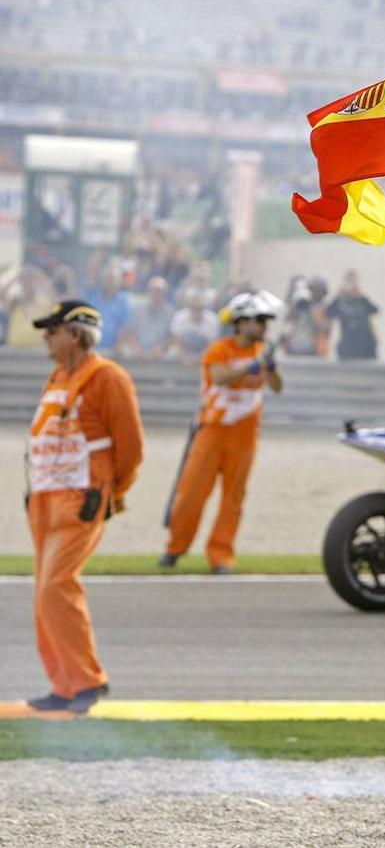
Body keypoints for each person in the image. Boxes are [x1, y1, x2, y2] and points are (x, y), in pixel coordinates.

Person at [26, 300, 144, 712]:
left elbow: (130, 448)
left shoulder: (108, 378)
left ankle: (88, 681)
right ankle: (63, 684)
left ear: (76, 335)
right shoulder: (58, 375)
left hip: (82, 498)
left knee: (58, 585)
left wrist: (112, 491)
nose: (46, 337)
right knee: (44, 594)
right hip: (46, 499)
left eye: (53, 330)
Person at [160, 291, 283, 573]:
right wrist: (252, 366)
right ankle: (175, 548)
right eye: (260, 321)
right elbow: (219, 377)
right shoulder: (220, 349)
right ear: (241, 323)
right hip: (212, 430)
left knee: (233, 498)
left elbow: (276, 387)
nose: (264, 327)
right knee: (191, 493)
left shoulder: (261, 353)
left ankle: (221, 555)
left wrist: (272, 367)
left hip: (245, 434)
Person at [326, 269, 379, 360]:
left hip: (366, 344)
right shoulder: (340, 302)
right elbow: (329, 313)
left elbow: (375, 310)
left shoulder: (362, 301)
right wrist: (337, 297)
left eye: (352, 282)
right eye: (348, 281)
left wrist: (361, 297)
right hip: (348, 344)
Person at [118, 276, 175, 359]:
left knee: (173, 354)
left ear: (165, 292)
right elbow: (128, 331)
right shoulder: (137, 309)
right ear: (149, 291)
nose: (157, 294)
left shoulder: (170, 312)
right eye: (154, 290)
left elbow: (172, 336)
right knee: (126, 352)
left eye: (160, 291)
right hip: (138, 350)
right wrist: (136, 347)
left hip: (160, 352)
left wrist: (162, 347)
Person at [80, 265, 132, 351]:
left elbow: (123, 327)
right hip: (91, 347)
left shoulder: (123, 301)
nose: (109, 282)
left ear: (118, 282)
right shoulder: (92, 295)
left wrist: (117, 348)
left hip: (112, 349)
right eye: (107, 279)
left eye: (112, 279)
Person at [168, 287, 220, 356]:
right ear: (190, 305)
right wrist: (184, 357)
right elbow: (175, 339)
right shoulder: (179, 316)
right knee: (171, 353)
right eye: (194, 306)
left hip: (204, 353)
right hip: (182, 353)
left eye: (199, 307)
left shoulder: (212, 319)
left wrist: (201, 357)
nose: (196, 309)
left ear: (204, 306)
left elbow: (212, 343)